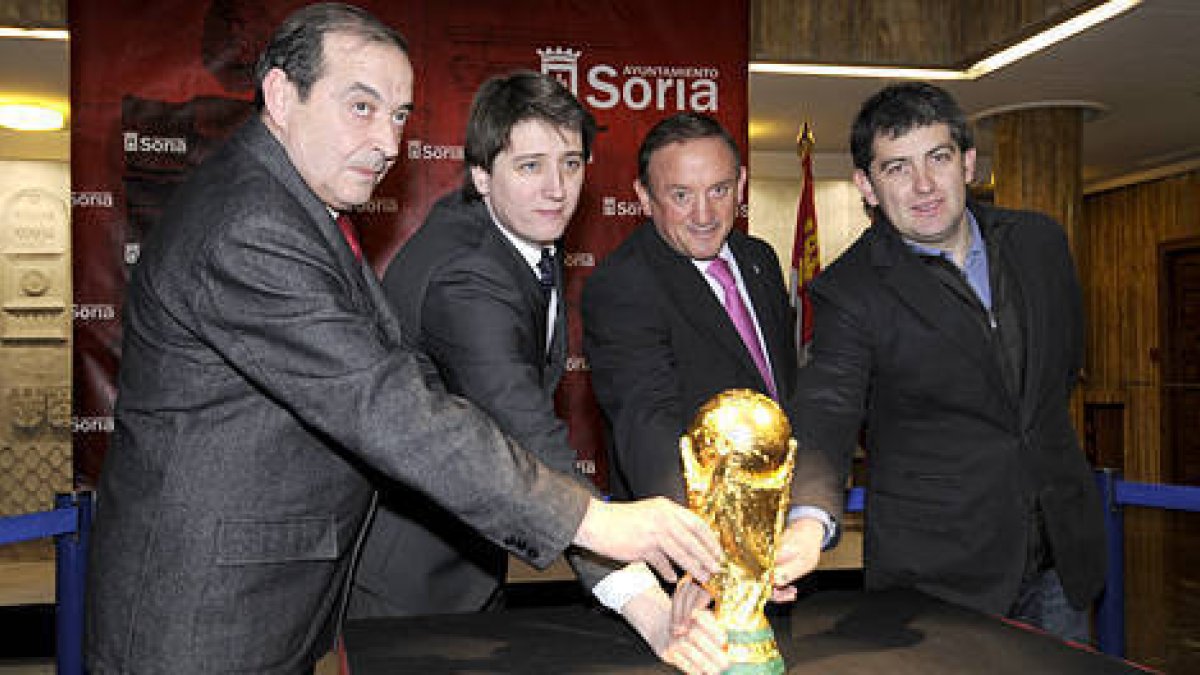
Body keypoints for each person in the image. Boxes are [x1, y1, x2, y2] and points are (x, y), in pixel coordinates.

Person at [84, 5, 722, 673]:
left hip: (271, 600)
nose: (389, 142)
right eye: (361, 107)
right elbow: (387, 405)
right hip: (205, 617)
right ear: (280, 94)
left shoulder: (298, 207)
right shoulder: (250, 225)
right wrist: (599, 524)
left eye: (398, 116)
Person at [350, 71, 727, 671]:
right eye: (529, 167)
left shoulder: (508, 236)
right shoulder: (466, 276)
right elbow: (527, 433)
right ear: (481, 176)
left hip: (472, 558)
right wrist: (648, 609)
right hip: (409, 586)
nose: (556, 189)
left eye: (571, 164)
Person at [786, 81, 1106, 642]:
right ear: (866, 185)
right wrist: (810, 519)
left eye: (938, 157)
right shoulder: (849, 289)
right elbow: (827, 411)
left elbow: (1061, 367)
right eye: (897, 168)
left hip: (1061, 555)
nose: (924, 185)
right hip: (942, 580)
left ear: (969, 163)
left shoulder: (1040, 242)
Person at [582, 112, 840, 596]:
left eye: (719, 190)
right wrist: (706, 557)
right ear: (644, 196)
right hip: (692, 562)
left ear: (741, 183)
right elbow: (648, 426)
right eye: (680, 195)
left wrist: (805, 514)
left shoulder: (760, 261)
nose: (703, 214)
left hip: (782, 542)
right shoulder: (623, 285)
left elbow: (788, 404)